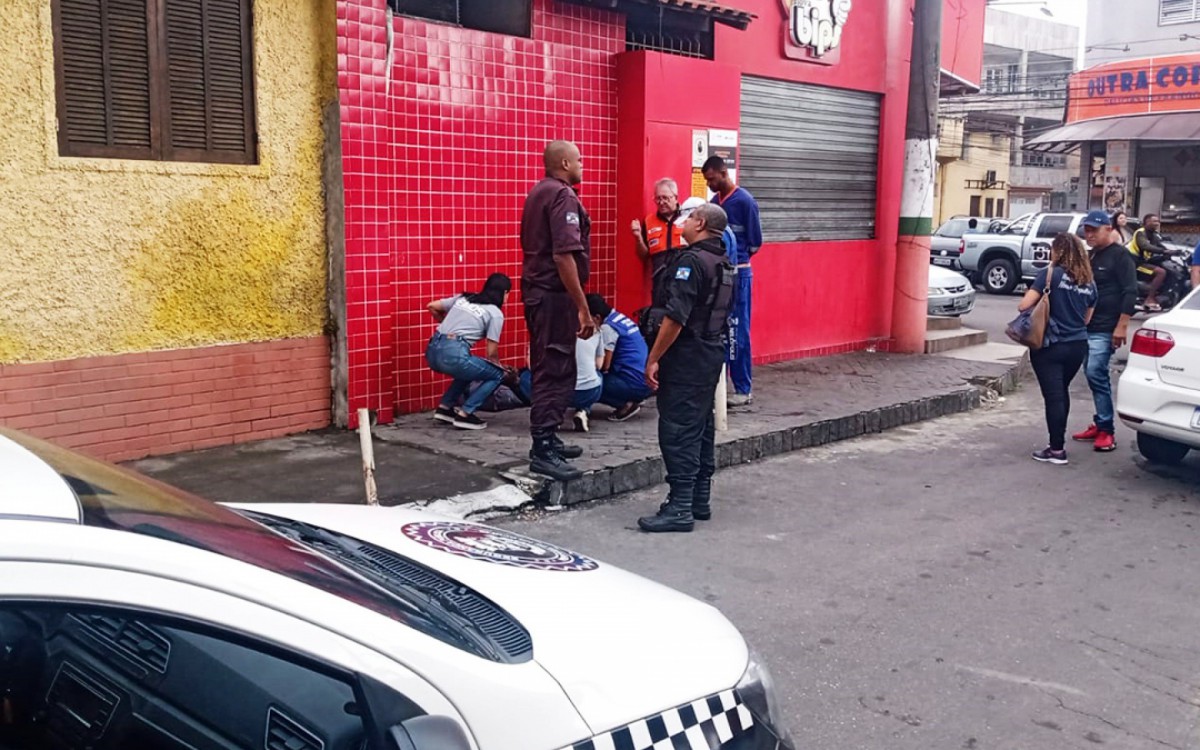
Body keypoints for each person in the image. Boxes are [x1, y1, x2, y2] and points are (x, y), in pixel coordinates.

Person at [638, 204, 735, 533]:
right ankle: (698, 499)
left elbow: (676, 317)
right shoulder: (724, 262)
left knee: (678, 430)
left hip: (687, 355)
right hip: (710, 352)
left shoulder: (691, 262)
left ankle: (680, 507)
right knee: (701, 426)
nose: (685, 222)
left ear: (702, 223)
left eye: (690, 218)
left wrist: (653, 357)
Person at [520, 140, 595, 481]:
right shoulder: (562, 195)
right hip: (553, 297)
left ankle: (548, 438)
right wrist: (582, 307)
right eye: (579, 160)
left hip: (540, 293)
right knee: (555, 368)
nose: (582, 165)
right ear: (564, 162)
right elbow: (564, 254)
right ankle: (543, 448)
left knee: (550, 364)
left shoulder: (538, 192)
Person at [1019, 234, 1097, 465]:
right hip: (1077, 345)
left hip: (1050, 345)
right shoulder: (1089, 282)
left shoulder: (1049, 275)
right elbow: (1086, 319)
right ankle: (1057, 444)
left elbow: (1023, 305)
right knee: (1061, 392)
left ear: (1059, 251)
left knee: (1053, 397)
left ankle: (1056, 450)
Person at [1073, 210, 1137, 453]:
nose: (1089, 235)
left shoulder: (1120, 256)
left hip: (1105, 328)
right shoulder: (1092, 257)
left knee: (1096, 373)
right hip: (1086, 326)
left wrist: (1122, 326)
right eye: (1086, 230)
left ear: (1108, 229)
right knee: (1091, 375)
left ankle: (1107, 431)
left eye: (1094, 230)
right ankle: (1099, 422)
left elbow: (1130, 291)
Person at [702, 156, 762, 407]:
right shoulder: (715, 204)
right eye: (706, 181)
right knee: (720, 331)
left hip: (740, 274)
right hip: (721, 275)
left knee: (738, 331)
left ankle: (743, 388)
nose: (710, 184)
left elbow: (756, 242)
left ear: (723, 172)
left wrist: (738, 259)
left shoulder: (745, 201)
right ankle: (721, 387)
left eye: (712, 179)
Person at [425, 274, 512, 430]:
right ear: (505, 293)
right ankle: (465, 414)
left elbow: (432, 305)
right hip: (454, 355)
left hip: (432, 352)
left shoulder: (464, 298)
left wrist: (447, 325)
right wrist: (501, 367)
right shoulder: (495, 313)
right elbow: (491, 352)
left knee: (471, 370)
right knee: (497, 374)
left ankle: (445, 408)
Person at [587, 293, 653, 421]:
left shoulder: (608, 328)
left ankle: (625, 404)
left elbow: (605, 365)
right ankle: (633, 397)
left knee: (591, 382)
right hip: (645, 378)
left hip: (636, 382)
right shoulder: (618, 318)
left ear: (597, 317)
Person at [630, 178, 685, 276]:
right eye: (658, 198)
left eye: (665, 198)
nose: (661, 202)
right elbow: (644, 256)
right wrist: (638, 238)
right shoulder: (649, 221)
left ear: (676, 198)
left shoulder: (688, 218)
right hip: (660, 277)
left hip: (683, 274)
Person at [1129, 213, 1172, 311]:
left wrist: (1173, 251)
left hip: (1143, 261)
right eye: (1154, 221)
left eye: (1158, 221)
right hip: (1135, 262)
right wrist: (1163, 251)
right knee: (1161, 272)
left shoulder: (1154, 235)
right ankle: (1149, 298)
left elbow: (1160, 246)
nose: (1157, 223)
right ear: (1147, 222)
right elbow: (1145, 246)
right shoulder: (1140, 232)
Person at [571, 332, 604, 432]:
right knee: (598, 375)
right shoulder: (597, 332)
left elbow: (531, 363)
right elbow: (599, 365)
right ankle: (583, 411)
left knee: (527, 377)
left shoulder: (550, 329)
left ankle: (554, 414)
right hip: (588, 391)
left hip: (557, 393)